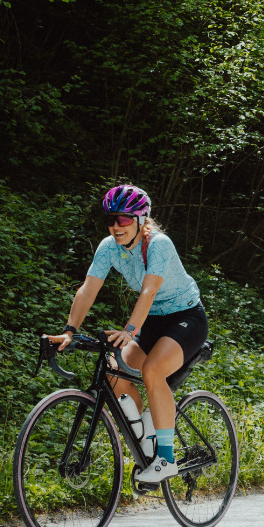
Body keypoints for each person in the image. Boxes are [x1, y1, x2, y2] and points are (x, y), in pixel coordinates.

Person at [53, 184, 206, 483]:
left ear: (141, 220)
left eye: (123, 219)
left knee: (152, 370)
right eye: (111, 219)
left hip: (186, 317)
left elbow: (149, 291)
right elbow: (87, 290)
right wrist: (70, 331)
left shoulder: (159, 244)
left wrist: (129, 330)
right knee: (114, 373)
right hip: (152, 321)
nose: (115, 226)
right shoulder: (108, 247)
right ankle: (144, 440)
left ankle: (166, 458)